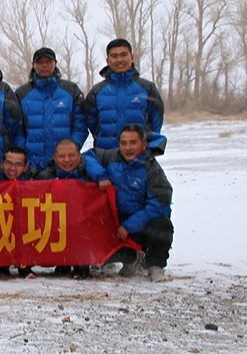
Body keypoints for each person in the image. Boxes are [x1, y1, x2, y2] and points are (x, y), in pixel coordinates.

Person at [84, 124, 173, 281]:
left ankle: (155, 265)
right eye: (123, 143)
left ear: (144, 145)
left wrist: (129, 226)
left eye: (133, 143)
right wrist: (101, 176)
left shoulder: (151, 169)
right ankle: (130, 258)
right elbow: (88, 156)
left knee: (162, 224)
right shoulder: (111, 157)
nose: (128, 148)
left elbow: (160, 203)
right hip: (115, 224)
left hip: (139, 224)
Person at [83, 38, 166, 156]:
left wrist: (145, 147)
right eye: (114, 56)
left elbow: (156, 121)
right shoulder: (97, 92)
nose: (119, 60)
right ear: (108, 60)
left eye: (124, 55)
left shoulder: (147, 88)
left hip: (138, 156)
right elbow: (91, 123)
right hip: (106, 156)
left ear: (132, 57)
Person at [15, 47, 88, 172]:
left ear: (55, 63)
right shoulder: (22, 93)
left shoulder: (71, 90)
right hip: (32, 166)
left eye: (48, 62)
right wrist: (24, 152)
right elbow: (16, 128)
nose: (44, 65)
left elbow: (81, 125)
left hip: (65, 164)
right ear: (33, 65)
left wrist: (71, 150)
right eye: (40, 62)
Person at [31, 138, 93, 280]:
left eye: (71, 156)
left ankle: (81, 264)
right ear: (55, 157)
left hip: (81, 225)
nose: (66, 160)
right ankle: (62, 261)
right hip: (54, 223)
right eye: (61, 156)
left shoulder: (89, 176)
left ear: (79, 155)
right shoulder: (45, 177)